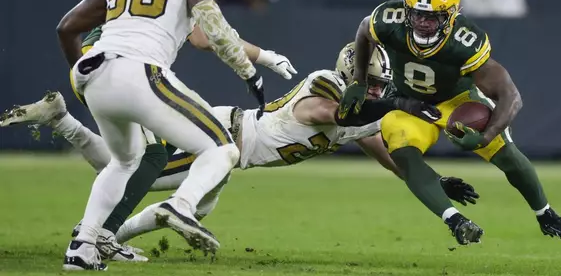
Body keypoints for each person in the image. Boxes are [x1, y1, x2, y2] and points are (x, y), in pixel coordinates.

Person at [1, 42, 480, 256]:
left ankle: (108, 236)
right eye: (374, 84)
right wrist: (410, 107)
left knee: (186, 199)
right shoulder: (326, 87)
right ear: (355, 77)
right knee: (121, 168)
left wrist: (436, 181)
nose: (378, 92)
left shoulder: (363, 113)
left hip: (233, 151)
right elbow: (328, 116)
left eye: (382, 86)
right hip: (222, 136)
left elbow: (385, 152)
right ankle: (63, 124)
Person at [57, 0, 266, 271]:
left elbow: (67, 27)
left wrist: (85, 80)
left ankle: (83, 246)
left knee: (124, 161)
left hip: (93, 72)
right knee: (221, 148)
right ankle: (180, 205)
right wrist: (248, 70)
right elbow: (213, 25)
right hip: (138, 70)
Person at [338, 0, 561, 246]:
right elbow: (364, 30)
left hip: (457, 100)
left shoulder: (465, 41)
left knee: (506, 154)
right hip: (411, 103)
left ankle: (547, 215)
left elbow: (511, 95)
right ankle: (455, 220)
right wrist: (359, 82)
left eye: (432, 17)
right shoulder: (388, 19)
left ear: (451, 16)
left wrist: (485, 136)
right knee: (402, 149)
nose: (421, 22)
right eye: (417, 14)